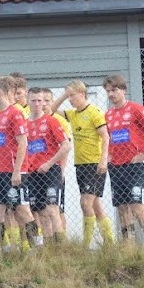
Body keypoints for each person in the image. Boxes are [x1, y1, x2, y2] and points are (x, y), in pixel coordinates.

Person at [51, 80, 112, 249]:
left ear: (82, 94)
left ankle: (85, 245)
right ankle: (110, 242)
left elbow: (105, 137)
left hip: (94, 163)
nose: (70, 99)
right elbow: (51, 111)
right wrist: (64, 95)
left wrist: (103, 160)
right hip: (81, 164)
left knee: (85, 203)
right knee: (95, 205)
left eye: (72, 95)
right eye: (68, 96)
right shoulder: (73, 114)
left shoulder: (94, 113)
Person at [102, 74, 144, 243]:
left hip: (135, 165)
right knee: (122, 209)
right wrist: (109, 155)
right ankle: (129, 247)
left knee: (137, 207)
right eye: (108, 91)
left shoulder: (135, 109)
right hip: (116, 165)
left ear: (123, 90)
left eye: (114, 90)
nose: (111, 94)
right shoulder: (108, 115)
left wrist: (143, 152)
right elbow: (109, 138)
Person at [0, 75, 40, 252]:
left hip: (14, 170)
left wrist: (17, 171)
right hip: (0, 171)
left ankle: (37, 247)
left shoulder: (15, 113)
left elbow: (23, 142)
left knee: (22, 211)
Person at [25, 87, 71, 243]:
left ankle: (61, 246)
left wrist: (49, 163)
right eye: (34, 100)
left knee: (52, 208)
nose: (37, 104)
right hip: (32, 173)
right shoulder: (24, 124)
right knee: (40, 212)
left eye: (40, 100)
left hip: (50, 171)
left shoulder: (51, 121)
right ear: (28, 101)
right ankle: (48, 246)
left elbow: (66, 146)